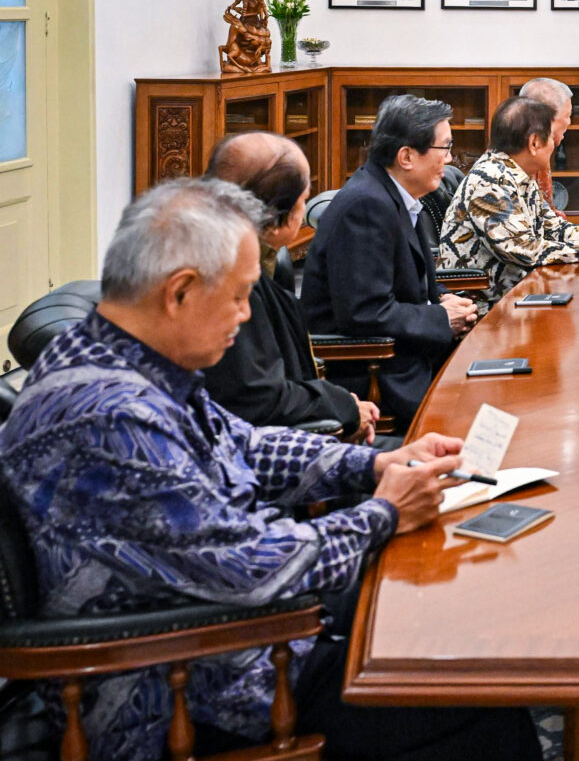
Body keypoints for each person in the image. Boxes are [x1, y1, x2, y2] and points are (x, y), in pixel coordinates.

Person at [0, 179, 541, 761]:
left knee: (450, 621)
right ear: (180, 292)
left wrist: (375, 463)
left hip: (219, 630)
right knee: (476, 689)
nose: (243, 317)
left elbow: (245, 445)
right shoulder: (111, 416)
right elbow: (250, 566)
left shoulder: (116, 355)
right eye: (238, 296)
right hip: (180, 680)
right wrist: (385, 512)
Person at [302, 95, 479, 422]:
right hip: (378, 370)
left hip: (408, 352)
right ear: (407, 156)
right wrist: (440, 318)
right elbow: (365, 312)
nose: (451, 158)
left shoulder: (392, 194)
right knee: (485, 403)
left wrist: (443, 299)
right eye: (445, 147)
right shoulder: (366, 206)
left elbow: (400, 281)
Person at [201, 132, 380, 442]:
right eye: (303, 198)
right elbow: (256, 397)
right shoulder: (229, 281)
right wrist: (343, 409)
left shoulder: (243, 260)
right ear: (278, 215)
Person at [438, 97, 579, 303]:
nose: (556, 144)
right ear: (535, 143)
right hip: (485, 308)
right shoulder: (490, 181)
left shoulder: (517, 174)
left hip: (524, 292)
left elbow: (555, 228)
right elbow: (525, 251)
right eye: (551, 138)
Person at [518, 75, 574, 211]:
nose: (569, 122)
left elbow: (547, 220)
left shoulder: (537, 154)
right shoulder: (497, 180)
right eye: (567, 116)